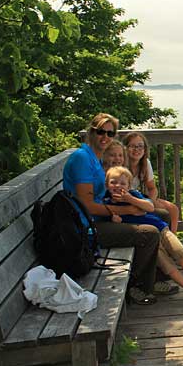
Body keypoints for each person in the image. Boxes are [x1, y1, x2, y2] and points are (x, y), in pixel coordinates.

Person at [62, 113, 159, 305]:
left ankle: (158, 277)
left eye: (110, 133)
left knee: (158, 213)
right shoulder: (82, 159)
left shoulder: (95, 158)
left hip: (98, 219)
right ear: (91, 132)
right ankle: (135, 286)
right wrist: (128, 211)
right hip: (84, 227)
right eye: (100, 132)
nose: (105, 137)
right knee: (149, 233)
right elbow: (87, 206)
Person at [104, 166, 183, 306]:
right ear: (106, 184)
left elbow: (150, 207)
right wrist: (116, 220)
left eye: (122, 183)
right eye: (113, 182)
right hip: (148, 239)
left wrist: (130, 199)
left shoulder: (133, 194)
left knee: (179, 250)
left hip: (160, 229)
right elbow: (111, 223)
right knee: (167, 266)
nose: (118, 186)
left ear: (129, 185)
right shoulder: (107, 203)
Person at [123, 132, 180, 232]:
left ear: (145, 149)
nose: (137, 149)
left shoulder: (145, 163)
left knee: (173, 209)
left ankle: (171, 240)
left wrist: (151, 201)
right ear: (125, 148)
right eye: (132, 146)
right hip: (126, 199)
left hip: (138, 197)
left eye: (140, 146)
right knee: (160, 214)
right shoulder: (121, 163)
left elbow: (152, 188)